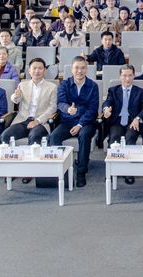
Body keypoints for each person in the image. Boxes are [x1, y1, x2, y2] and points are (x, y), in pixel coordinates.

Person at [50, 57, 99, 187]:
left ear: (86, 69)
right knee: (54, 137)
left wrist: (80, 124)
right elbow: (60, 103)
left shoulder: (93, 86)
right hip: (67, 121)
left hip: (86, 122)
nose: (79, 71)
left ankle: (81, 172)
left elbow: (92, 110)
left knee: (84, 135)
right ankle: (61, 170)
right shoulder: (64, 84)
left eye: (82, 68)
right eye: (77, 68)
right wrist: (68, 109)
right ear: (72, 69)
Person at [103, 65, 143, 184]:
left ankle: (129, 171)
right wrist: (106, 109)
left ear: (134, 76)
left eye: (130, 75)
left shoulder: (140, 91)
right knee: (114, 139)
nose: (127, 79)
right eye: (124, 75)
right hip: (117, 122)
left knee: (130, 138)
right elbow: (107, 101)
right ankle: (112, 169)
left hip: (133, 122)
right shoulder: (113, 90)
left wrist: (137, 118)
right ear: (120, 76)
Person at [2, 57, 57, 152]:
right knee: (6, 135)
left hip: (41, 122)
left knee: (35, 136)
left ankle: (32, 161)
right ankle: (10, 160)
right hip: (23, 120)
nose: (37, 71)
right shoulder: (22, 84)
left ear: (44, 71)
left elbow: (53, 108)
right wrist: (16, 96)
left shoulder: (52, 87)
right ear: (29, 71)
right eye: (34, 68)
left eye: (40, 68)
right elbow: (16, 100)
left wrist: (37, 121)